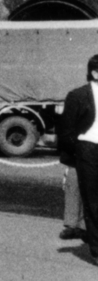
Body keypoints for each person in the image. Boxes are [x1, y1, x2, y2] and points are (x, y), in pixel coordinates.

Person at [56, 53, 98, 261]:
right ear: (95, 73)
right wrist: (79, 151)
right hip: (88, 149)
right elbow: (65, 131)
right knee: (92, 201)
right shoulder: (78, 95)